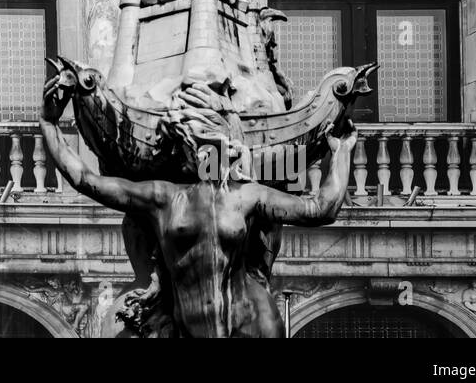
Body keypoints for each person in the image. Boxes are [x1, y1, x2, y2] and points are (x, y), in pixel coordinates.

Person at [40, 72, 357, 337]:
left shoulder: (246, 195)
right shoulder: (162, 197)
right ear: (185, 146)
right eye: (203, 140)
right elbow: (84, 179)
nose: (214, 149)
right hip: (185, 323)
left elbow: (321, 208)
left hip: (252, 321)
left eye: (216, 139)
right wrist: (49, 122)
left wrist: (342, 154)